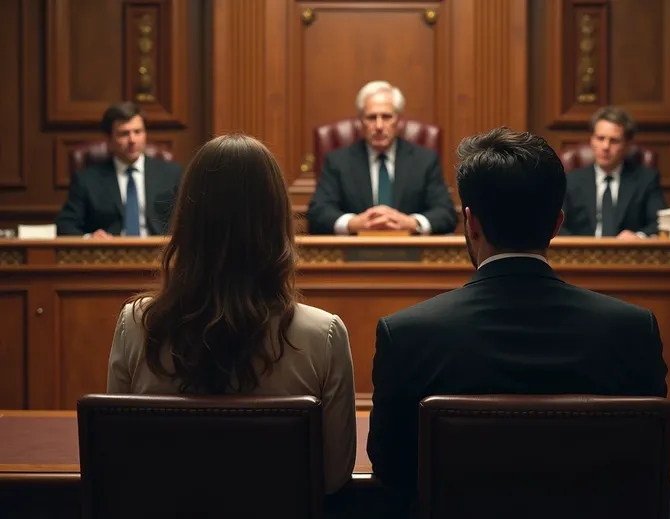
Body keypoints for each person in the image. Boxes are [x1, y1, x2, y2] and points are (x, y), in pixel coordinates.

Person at [368, 127, 668, 492]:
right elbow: (647, 470)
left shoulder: (406, 336)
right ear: (558, 224)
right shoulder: (634, 331)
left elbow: (389, 469)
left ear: (471, 222)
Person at [106, 134, 357, 495]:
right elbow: (333, 477)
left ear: (188, 222)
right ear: (277, 223)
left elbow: (117, 461)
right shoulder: (323, 334)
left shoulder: (136, 324)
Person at [306, 81, 457, 235]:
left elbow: (446, 213)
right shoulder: (338, 161)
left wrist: (411, 223)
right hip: (355, 252)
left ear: (398, 120)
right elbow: (318, 212)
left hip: (410, 252)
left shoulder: (425, 160)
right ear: (361, 121)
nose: (379, 126)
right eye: (371, 117)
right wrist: (353, 223)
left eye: (386, 117)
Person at [55, 102, 183, 238]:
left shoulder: (171, 174)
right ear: (109, 139)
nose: (132, 139)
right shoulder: (87, 179)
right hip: (108, 254)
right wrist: (90, 238)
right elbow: (65, 225)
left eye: (138, 132)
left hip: (158, 252)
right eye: (124, 134)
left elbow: (189, 219)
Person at [560, 106, 668, 238]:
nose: (605, 147)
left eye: (614, 141)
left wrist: (638, 236)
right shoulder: (571, 182)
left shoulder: (646, 179)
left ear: (627, 145)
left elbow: (660, 223)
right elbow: (557, 225)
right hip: (581, 255)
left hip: (629, 255)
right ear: (592, 140)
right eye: (600, 138)